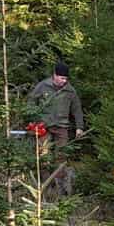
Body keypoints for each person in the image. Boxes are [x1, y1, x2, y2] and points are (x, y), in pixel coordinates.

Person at [27, 60, 85, 195]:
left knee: (61, 156)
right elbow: (31, 102)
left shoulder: (70, 91)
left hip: (61, 127)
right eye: (62, 78)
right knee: (43, 155)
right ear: (55, 75)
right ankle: (45, 186)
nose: (64, 81)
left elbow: (77, 110)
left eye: (66, 78)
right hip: (43, 126)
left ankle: (60, 188)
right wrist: (33, 120)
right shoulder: (42, 86)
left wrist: (79, 127)